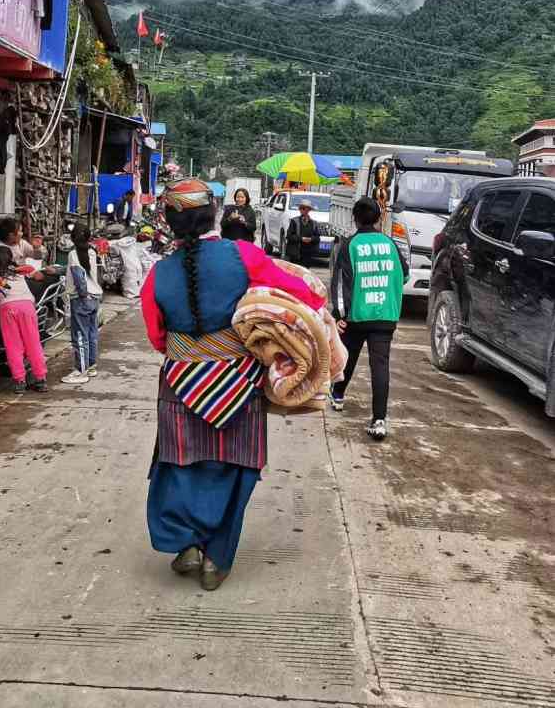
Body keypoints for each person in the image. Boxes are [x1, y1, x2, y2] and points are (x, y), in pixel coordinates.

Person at [140, 177, 325, 591]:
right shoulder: (244, 256)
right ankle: (216, 559)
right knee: (233, 469)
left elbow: (157, 338)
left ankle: (184, 544)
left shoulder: (157, 275)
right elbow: (304, 299)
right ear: (214, 216)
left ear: (169, 222)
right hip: (239, 385)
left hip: (179, 384)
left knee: (178, 465)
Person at [329, 197, 408, 441]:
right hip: (385, 315)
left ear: (355, 217)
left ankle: (339, 395)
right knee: (380, 366)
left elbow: (342, 284)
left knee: (349, 356)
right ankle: (379, 419)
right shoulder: (389, 244)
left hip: (358, 316)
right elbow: (404, 274)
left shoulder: (350, 245)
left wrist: (340, 315)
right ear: (378, 218)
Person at [0, 245, 48, 395]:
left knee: (13, 346)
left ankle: (19, 382)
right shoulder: (23, 269)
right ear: (11, 258)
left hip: (7, 308)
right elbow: (40, 277)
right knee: (33, 343)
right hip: (27, 306)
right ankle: (41, 380)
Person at [62, 227, 103, 385]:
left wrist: (83, 295)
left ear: (73, 239)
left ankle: (81, 371)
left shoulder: (73, 254)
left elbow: (79, 278)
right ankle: (91, 366)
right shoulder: (92, 251)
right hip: (94, 297)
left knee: (79, 336)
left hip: (81, 299)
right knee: (92, 334)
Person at [285, 200, 321, 268]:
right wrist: (301, 239)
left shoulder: (314, 223)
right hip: (295, 255)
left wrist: (310, 239)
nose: (303, 210)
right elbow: (289, 236)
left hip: (307, 255)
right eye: (301, 208)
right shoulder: (294, 221)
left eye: (305, 208)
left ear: (309, 210)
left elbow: (317, 238)